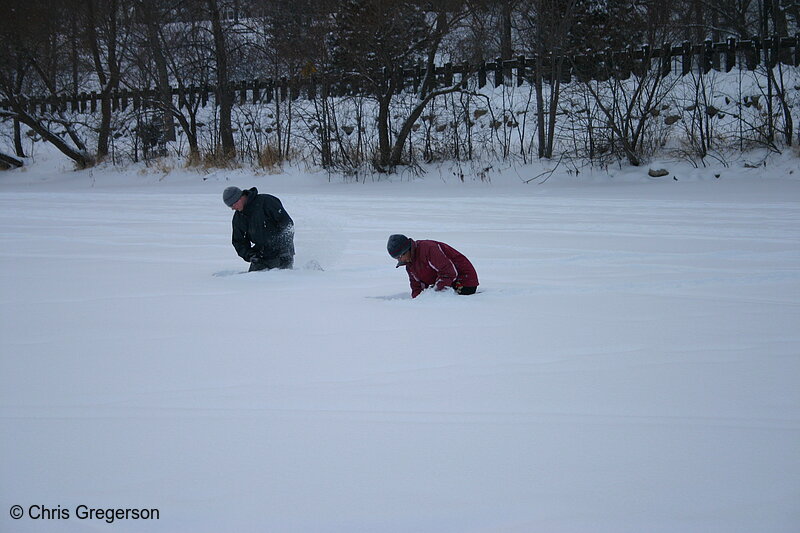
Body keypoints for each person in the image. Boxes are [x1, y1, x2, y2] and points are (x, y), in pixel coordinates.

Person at [223, 186, 295, 271]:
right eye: (230, 206)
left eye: (233, 204)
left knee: (279, 282)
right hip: (261, 257)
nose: (232, 208)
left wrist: (285, 249)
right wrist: (250, 255)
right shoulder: (238, 218)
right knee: (252, 282)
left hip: (281, 253)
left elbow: (288, 225)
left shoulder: (266, 202)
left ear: (240, 198)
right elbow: (238, 241)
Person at [387, 234, 479, 298]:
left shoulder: (428, 249)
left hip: (465, 282)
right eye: (396, 258)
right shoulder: (409, 263)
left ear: (407, 250)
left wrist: (435, 293)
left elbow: (448, 273)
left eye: (399, 256)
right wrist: (417, 301)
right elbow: (417, 286)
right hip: (448, 283)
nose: (400, 260)